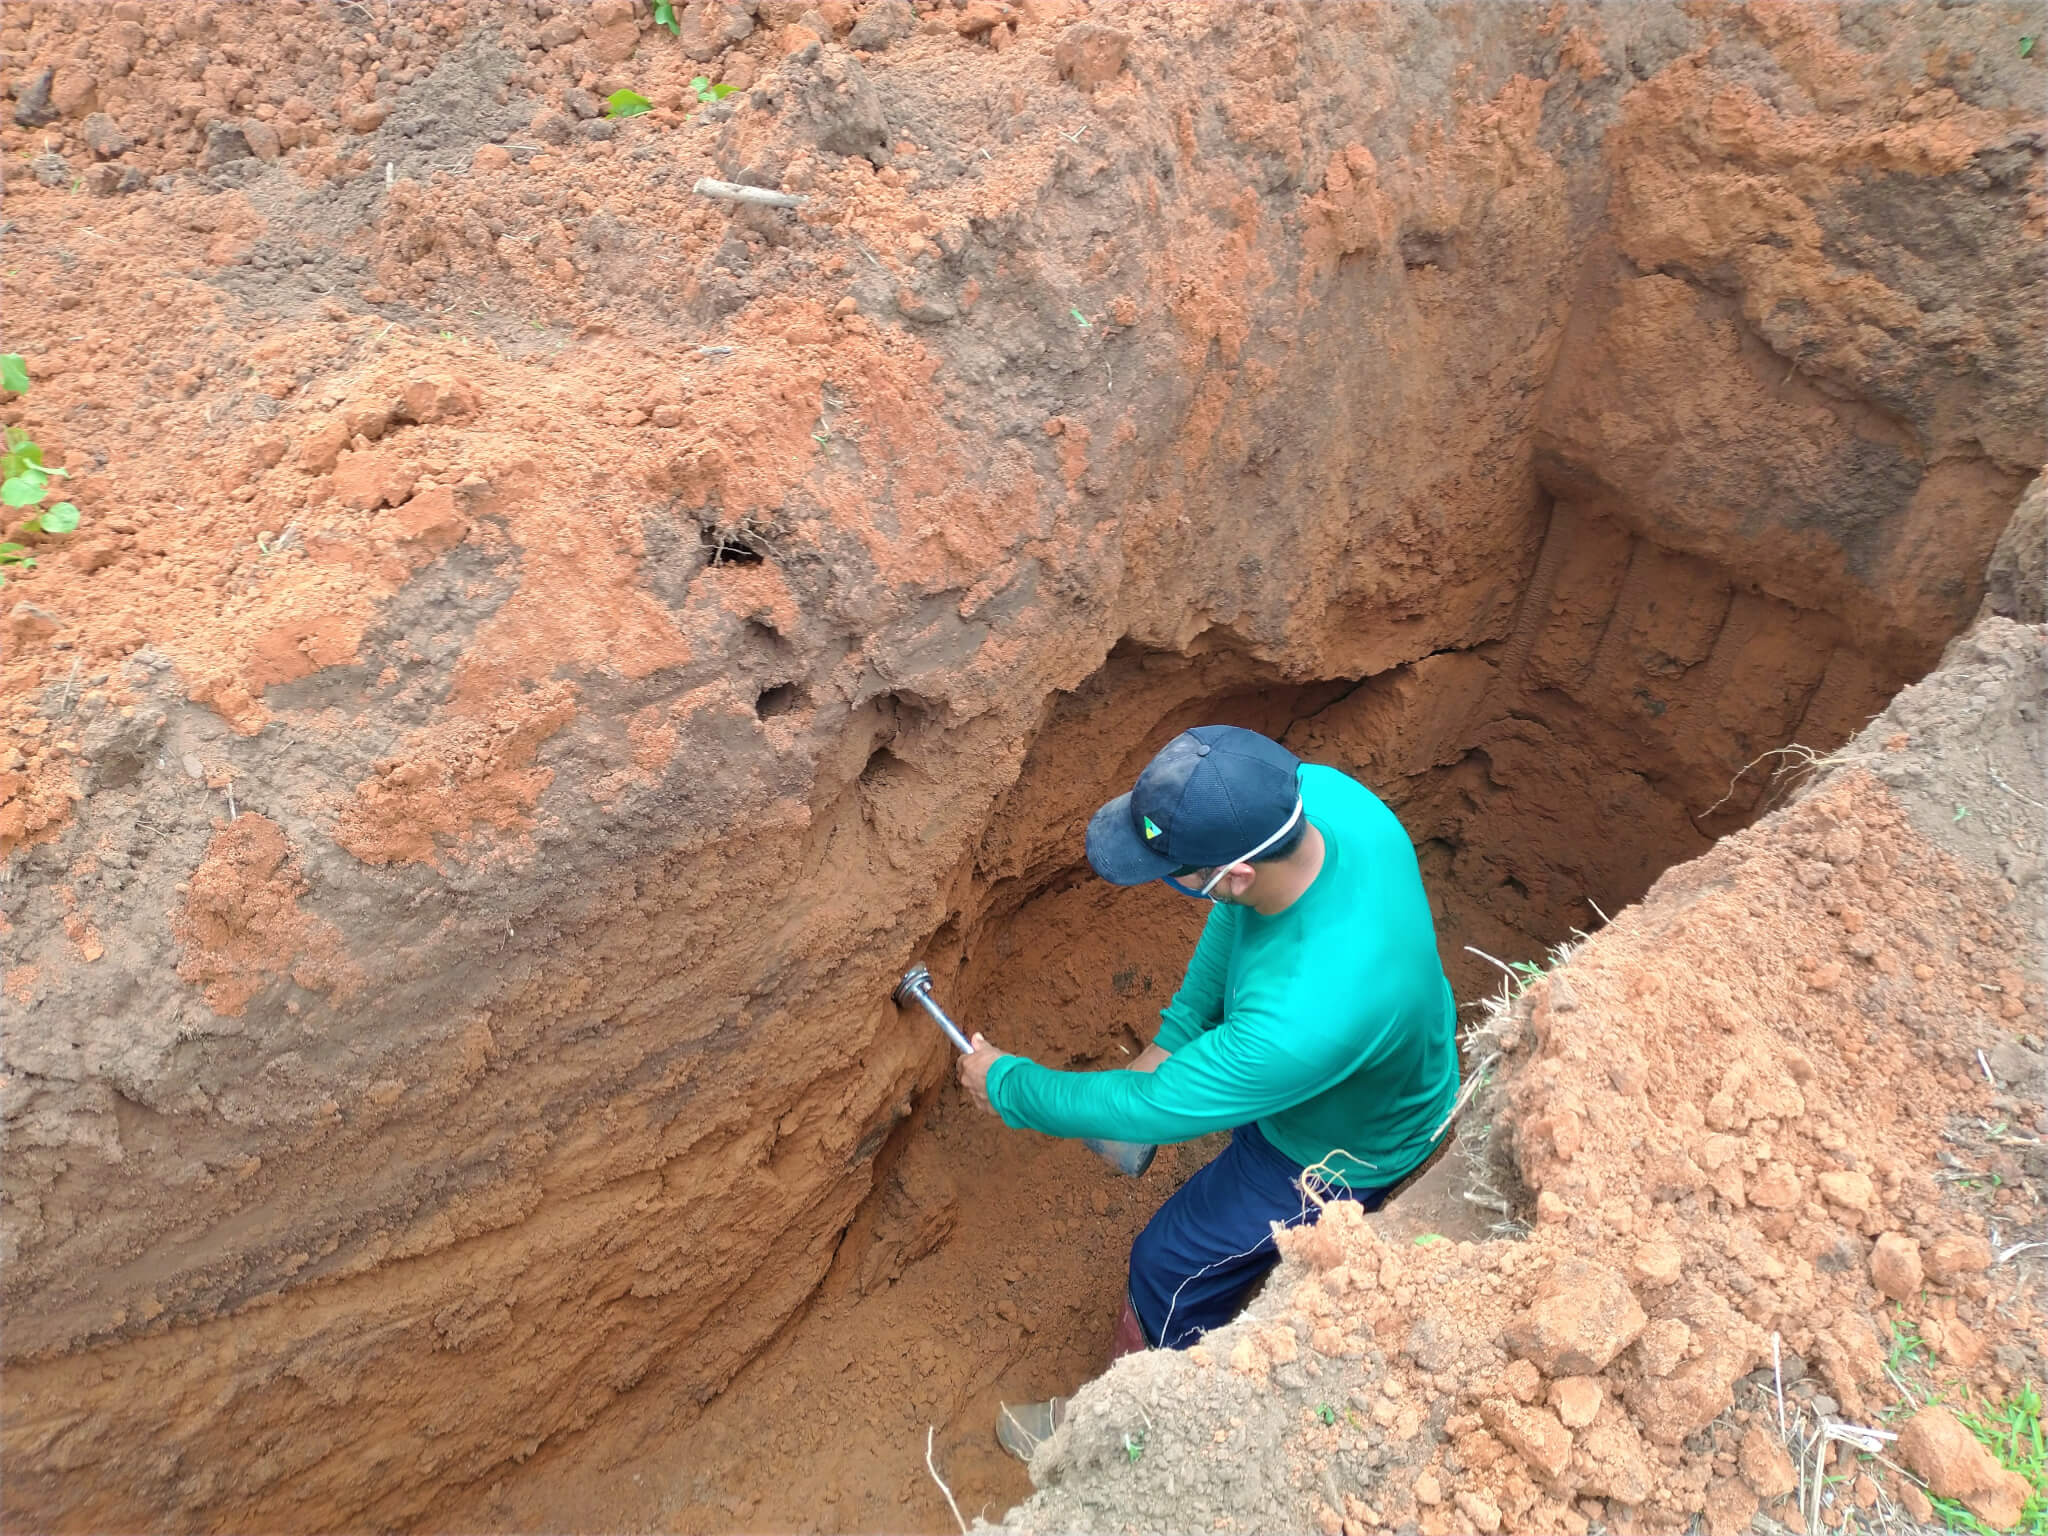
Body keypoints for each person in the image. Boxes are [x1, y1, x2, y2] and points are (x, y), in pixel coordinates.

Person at [955, 725, 1458, 1460]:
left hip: (1337, 1149)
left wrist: (1008, 1084)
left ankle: (1128, 1433)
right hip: (1386, 1065)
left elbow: (1147, 1106)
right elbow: (1237, 920)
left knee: (1170, 1264)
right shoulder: (1318, 798)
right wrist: (1180, 1030)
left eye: (1179, 872)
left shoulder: (1305, 1018)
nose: (1181, 884)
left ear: (1235, 872)